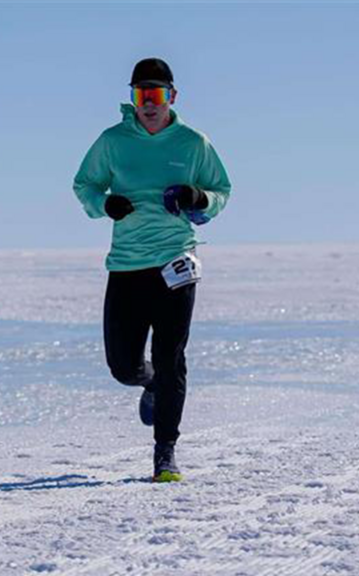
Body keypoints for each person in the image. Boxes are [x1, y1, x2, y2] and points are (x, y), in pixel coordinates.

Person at [72, 57, 232, 482]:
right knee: (123, 366)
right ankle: (150, 383)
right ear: (132, 99)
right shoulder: (113, 141)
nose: (148, 103)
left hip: (175, 261)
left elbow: (222, 191)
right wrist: (105, 203)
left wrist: (198, 197)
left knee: (171, 357)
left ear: (172, 98)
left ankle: (165, 453)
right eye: (141, 94)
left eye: (156, 95)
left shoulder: (193, 143)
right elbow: (84, 184)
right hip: (126, 266)